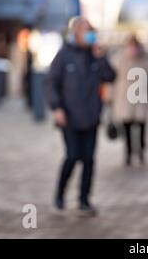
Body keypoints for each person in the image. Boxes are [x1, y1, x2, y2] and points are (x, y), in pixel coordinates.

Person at [47, 17, 116, 215]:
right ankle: (60, 193)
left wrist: (101, 56)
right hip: (68, 116)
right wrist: (57, 108)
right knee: (72, 156)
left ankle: (84, 199)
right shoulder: (64, 55)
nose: (90, 33)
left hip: (91, 116)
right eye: (87, 30)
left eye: (92, 30)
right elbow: (52, 82)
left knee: (89, 159)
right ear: (76, 32)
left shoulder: (95, 56)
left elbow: (111, 76)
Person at [111, 35, 148, 167]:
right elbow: (113, 81)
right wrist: (110, 98)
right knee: (126, 128)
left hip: (140, 99)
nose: (132, 48)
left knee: (142, 127)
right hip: (124, 99)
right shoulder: (118, 60)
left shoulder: (144, 60)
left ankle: (141, 152)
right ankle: (128, 154)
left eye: (134, 45)